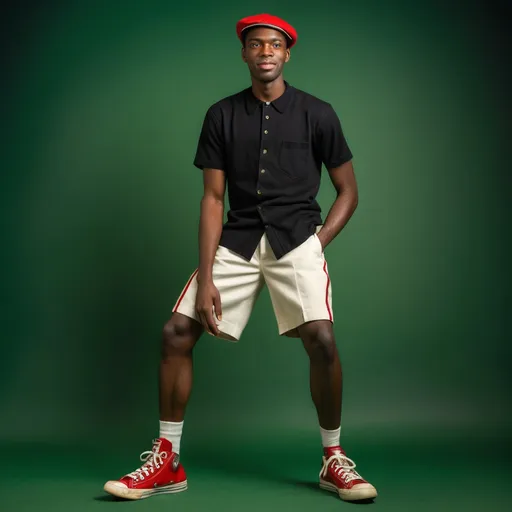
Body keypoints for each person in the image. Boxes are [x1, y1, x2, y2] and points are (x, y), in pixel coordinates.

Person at [103, 13, 377, 503]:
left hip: (297, 240)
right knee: (176, 332)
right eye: (256, 45)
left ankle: (333, 459)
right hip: (239, 241)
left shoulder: (318, 112)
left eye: (275, 45)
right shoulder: (221, 115)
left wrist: (317, 243)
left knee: (322, 338)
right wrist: (206, 275)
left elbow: (348, 191)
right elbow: (213, 198)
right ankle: (167, 459)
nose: (266, 52)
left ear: (287, 53)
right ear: (245, 54)